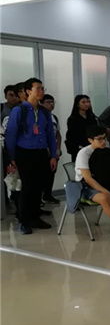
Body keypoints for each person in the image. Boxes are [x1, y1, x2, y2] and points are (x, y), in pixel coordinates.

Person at [5, 78, 57, 234]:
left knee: (38, 186)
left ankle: (35, 217)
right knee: (26, 188)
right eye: (38, 88)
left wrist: (53, 155)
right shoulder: (19, 110)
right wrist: (11, 157)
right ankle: (23, 221)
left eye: (42, 88)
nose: (41, 91)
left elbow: (50, 135)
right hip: (24, 153)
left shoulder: (44, 112)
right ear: (28, 91)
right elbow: (11, 135)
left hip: (41, 153)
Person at [40, 94, 62, 204]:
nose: (51, 104)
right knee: (41, 174)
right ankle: (39, 197)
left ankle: (48, 194)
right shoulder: (39, 116)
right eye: (48, 102)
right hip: (42, 150)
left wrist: (58, 149)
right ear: (41, 103)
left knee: (51, 173)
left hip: (53, 150)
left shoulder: (54, 117)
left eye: (52, 102)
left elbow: (58, 134)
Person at [65, 94, 98, 162]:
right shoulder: (72, 119)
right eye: (83, 102)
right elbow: (72, 135)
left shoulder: (92, 118)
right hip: (78, 148)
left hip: (91, 146)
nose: (86, 104)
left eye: (88, 102)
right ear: (77, 104)